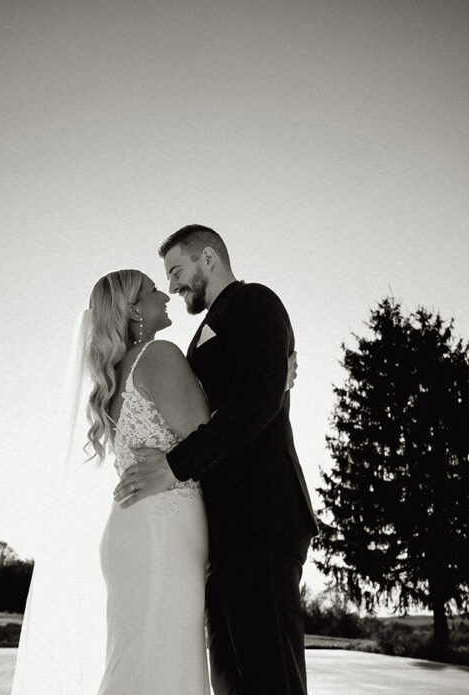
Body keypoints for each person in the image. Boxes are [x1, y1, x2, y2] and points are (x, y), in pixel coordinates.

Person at [114, 225, 319, 695]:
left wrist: (172, 466)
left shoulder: (256, 304)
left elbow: (255, 405)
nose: (171, 287)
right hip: (224, 527)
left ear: (208, 258)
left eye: (177, 272)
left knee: (270, 677)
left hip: (262, 517)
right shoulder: (199, 337)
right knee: (231, 679)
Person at [12, 269, 213, 695]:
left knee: (140, 663)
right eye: (152, 290)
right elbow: (211, 436)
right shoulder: (158, 355)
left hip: (133, 531)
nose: (164, 295)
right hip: (163, 532)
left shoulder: (118, 373)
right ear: (134, 310)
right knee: (163, 666)